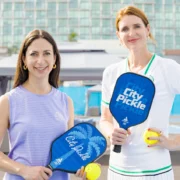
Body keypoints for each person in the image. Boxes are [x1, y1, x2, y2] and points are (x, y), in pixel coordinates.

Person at [99, 5, 180, 180]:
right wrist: (110, 132)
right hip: (117, 170)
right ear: (118, 36)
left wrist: (174, 142)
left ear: (147, 29)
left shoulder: (168, 68)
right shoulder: (111, 73)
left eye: (137, 26)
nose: (131, 33)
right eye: (124, 29)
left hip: (156, 171)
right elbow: (105, 119)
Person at [0, 29, 86, 180]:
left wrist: (81, 167)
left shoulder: (66, 102)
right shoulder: (8, 101)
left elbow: (71, 151)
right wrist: (24, 170)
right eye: (34, 54)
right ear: (24, 60)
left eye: (46, 53)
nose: (40, 60)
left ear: (54, 60)